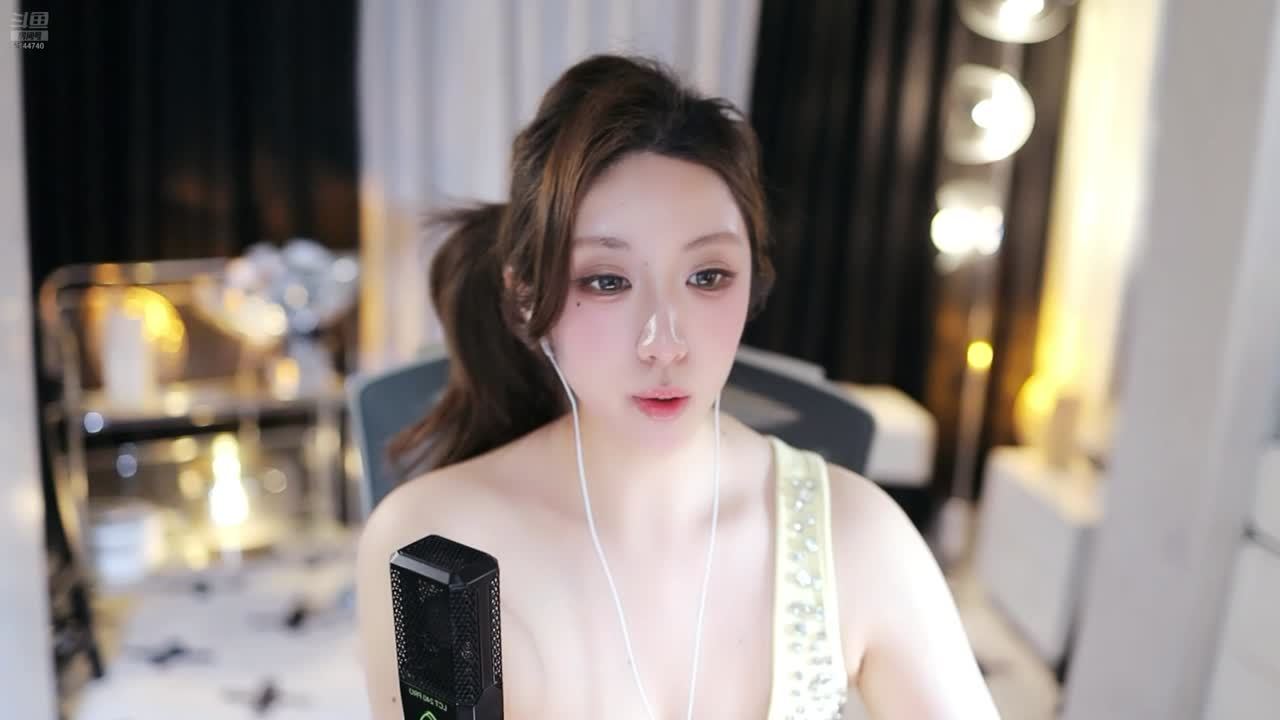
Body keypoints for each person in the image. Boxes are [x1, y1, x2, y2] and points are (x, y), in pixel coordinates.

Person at [356, 54, 1000, 720]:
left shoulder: (854, 535)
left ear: (754, 282)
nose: (664, 342)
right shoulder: (432, 543)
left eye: (707, 277)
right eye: (607, 281)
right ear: (525, 299)